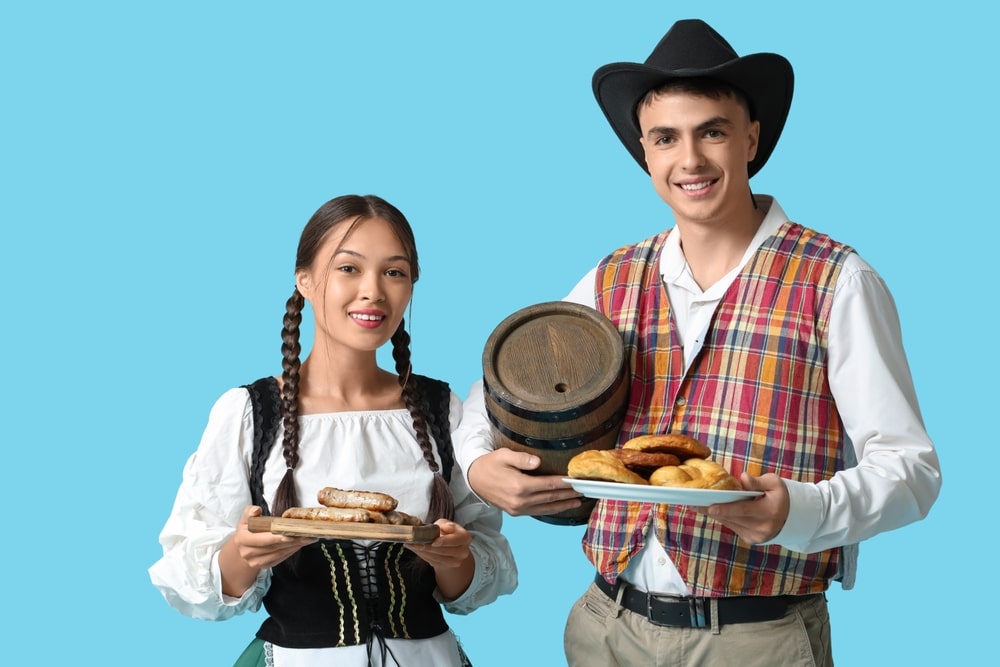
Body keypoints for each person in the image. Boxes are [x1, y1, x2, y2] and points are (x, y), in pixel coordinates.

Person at [453, 19, 941, 666]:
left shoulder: (836, 280)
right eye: (666, 138)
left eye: (711, 131)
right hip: (606, 626)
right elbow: (493, 399)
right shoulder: (610, 278)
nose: (690, 160)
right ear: (645, 153)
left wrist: (799, 509)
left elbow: (911, 471)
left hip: (759, 637)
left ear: (751, 138)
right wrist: (481, 468)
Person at [150, 194, 517, 666]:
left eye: (394, 272)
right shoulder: (249, 413)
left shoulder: (441, 409)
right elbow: (188, 578)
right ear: (304, 280)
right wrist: (244, 553)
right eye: (349, 268)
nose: (373, 291)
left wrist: (455, 562)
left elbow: (476, 577)